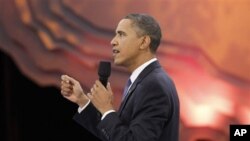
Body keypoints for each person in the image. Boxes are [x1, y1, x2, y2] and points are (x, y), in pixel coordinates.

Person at [60, 13, 179, 141]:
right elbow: (115, 136)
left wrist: (107, 109)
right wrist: (82, 100)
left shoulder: (153, 85)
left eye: (121, 34)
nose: (113, 41)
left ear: (144, 42)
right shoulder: (146, 80)